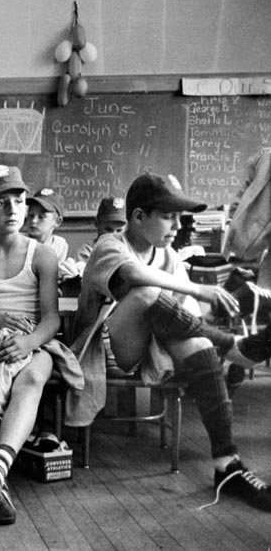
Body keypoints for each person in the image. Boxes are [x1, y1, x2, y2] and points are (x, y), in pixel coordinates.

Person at [66, 172, 271, 512]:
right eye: (168, 216)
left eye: (179, 217)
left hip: (152, 351)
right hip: (100, 354)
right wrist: (198, 288)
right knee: (147, 292)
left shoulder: (170, 257)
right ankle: (234, 347)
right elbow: (131, 276)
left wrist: (197, 301)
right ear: (138, 216)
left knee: (198, 345)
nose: (177, 225)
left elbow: (188, 316)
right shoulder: (110, 244)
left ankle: (226, 463)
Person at [0, 165, 82, 525]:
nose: (12, 208)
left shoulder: (42, 255)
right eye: (0, 202)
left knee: (35, 375)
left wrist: (28, 343)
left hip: (30, 340)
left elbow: (52, 319)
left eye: (19, 200)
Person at [76, 196, 128, 266]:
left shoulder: (129, 250)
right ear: (96, 223)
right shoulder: (86, 252)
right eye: (108, 229)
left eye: (119, 231)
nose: (113, 236)